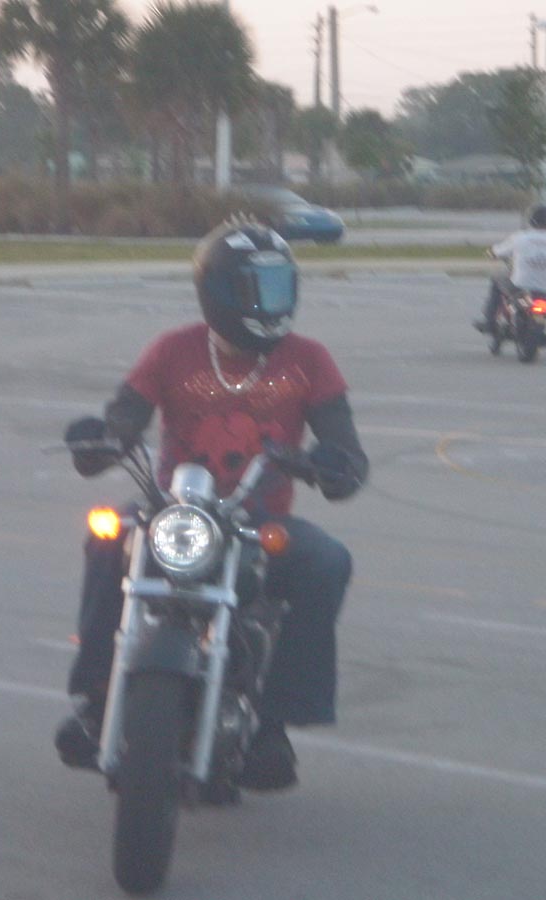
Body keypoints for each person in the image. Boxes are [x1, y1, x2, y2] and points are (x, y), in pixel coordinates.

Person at [55, 219, 369, 793]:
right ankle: (98, 700)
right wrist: (100, 441)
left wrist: (336, 465)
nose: (271, 301)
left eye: (279, 286)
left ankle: (274, 725)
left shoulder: (309, 360)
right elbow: (125, 418)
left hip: (257, 520)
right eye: (257, 288)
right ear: (219, 291)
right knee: (105, 539)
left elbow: (344, 447)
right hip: (174, 512)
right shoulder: (172, 350)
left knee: (327, 562)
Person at [474, 204, 546, 341]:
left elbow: (498, 251)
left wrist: (491, 253)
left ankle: (489, 321)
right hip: (545, 288)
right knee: (542, 306)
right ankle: (540, 329)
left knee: (496, 280)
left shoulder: (520, 237)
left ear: (531, 220)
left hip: (520, 285)